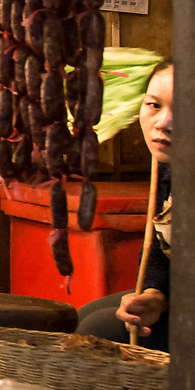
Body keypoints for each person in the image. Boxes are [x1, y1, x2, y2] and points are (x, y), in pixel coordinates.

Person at [77, 63, 172, 350]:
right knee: (79, 317)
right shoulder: (167, 171)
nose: (163, 122)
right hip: (182, 296)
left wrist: (168, 299)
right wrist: (156, 294)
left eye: (186, 109)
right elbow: (160, 254)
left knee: (96, 331)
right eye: (154, 105)